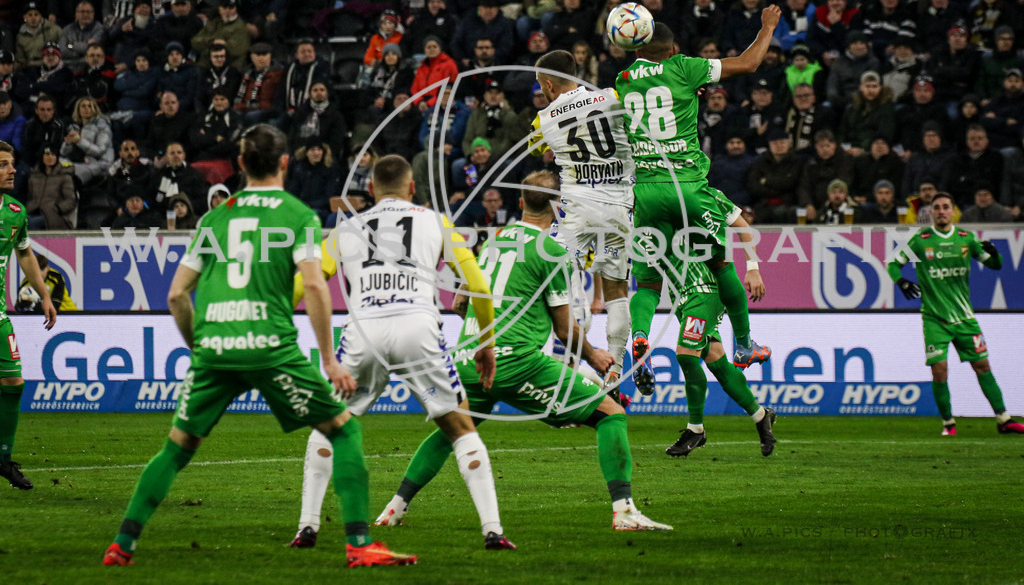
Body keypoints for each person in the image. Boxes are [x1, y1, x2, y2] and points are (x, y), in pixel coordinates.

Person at [103, 125, 417, 568]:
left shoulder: (213, 218)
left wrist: (200, 349)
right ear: (285, 163)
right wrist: (329, 359)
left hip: (215, 348)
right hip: (270, 347)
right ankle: (361, 544)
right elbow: (314, 285)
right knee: (344, 430)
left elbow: (176, 295)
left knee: (176, 447)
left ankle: (122, 544)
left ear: (242, 165)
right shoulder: (298, 215)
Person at [374, 171, 672, 532]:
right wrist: (594, 356)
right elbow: (564, 330)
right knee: (610, 415)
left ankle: (394, 507)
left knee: (454, 431)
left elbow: (462, 302)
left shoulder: (495, 241)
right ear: (557, 206)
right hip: (515, 362)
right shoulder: (552, 251)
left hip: (469, 358)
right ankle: (624, 511)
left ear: (519, 203)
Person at [290, 154, 513, 551]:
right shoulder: (436, 221)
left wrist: (273, 312)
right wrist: (486, 344)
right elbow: (478, 285)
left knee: (331, 422)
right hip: (418, 326)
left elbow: (308, 283)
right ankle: (493, 530)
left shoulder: (347, 229)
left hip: (364, 330)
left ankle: (307, 526)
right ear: (413, 188)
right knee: (460, 428)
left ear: (371, 190)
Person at [616, 10, 779, 375]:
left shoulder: (623, 79)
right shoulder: (684, 68)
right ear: (673, 50)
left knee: (647, 281)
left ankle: (640, 334)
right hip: (685, 185)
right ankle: (744, 344)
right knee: (720, 264)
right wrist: (767, 27)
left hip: (645, 190)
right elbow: (749, 63)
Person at [531, 50, 635, 386]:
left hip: (578, 211)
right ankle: (615, 374)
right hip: (620, 210)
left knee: (563, 282)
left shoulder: (542, 118)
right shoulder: (613, 97)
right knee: (617, 289)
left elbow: (536, 149)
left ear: (548, 84)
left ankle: (569, 372)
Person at [887, 191, 1024, 437]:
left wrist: (995, 254)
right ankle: (948, 424)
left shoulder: (966, 239)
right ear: (931, 212)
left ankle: (1004, 419)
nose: (941, 211)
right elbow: (892, 263)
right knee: (939, 370)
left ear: (952, 210)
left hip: (964, 317)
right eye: (937, 207)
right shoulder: (921, 240)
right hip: (934, 318)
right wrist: (902, 282)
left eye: (945, 207)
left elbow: (996, 265)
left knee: (982, 366)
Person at [665, 254, 776, 457]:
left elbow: (740, 225)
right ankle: (760, 415)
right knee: (717, 362)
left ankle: (695, 428)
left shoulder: (697, 223)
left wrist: (753, 268)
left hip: (703, 291)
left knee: (687, 355)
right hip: (684, 294)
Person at [0, 139, 57, 490]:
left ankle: (3, 459)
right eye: (4, 164)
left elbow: (24, 255)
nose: (11, 170)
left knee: (14, 383)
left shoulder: (15, 212)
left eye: (11, 164)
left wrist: (45, 293)